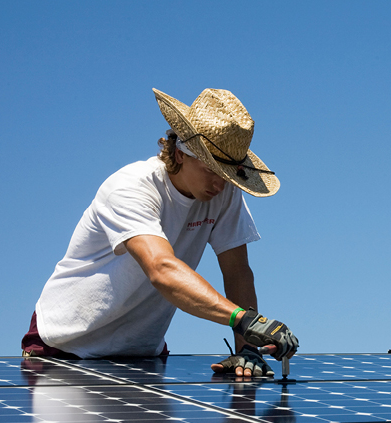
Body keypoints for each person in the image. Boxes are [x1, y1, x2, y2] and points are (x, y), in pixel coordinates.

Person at [21, 87, 297, 378]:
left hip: (141, 354)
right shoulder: (131, 188)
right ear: (180, 153)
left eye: (228, 175)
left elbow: (237, 271)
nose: (220, 184)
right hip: (66, 348)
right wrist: (243, 320)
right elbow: (161, 268)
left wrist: (247, 350)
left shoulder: (223, 194)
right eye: (212, 170)